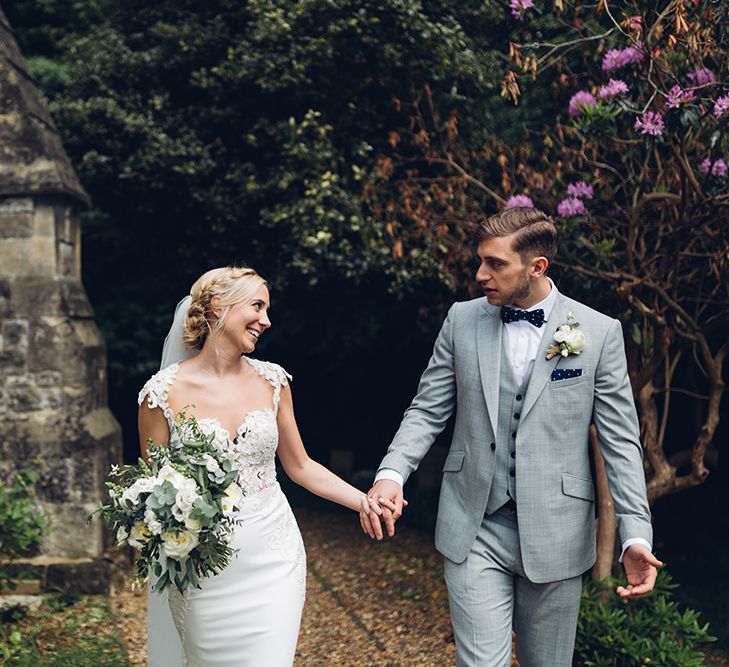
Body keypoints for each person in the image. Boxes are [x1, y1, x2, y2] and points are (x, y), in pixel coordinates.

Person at [361, 208, 663, 667]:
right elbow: (427, 409)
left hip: (558, 532)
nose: (481, 274)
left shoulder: (598, 333)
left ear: (537, 267)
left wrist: (635, 535)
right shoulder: (461, 321)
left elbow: (621, 442)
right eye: (480, 261)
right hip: (473, 524)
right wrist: (391, 474)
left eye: (495, 264)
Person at [138, 266, 386, 667]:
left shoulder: (273, 382)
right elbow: (153, 491)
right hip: (201, 569)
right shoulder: (161, 395)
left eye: (267, 310)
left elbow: (301, 466)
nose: (266, 320)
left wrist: (364, 502)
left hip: (274, 559)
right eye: (257, 306)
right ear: (218, 307)